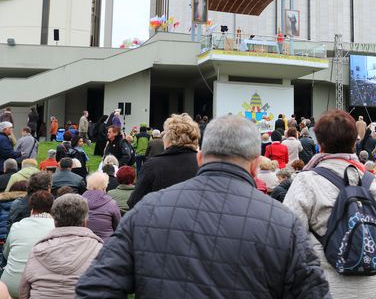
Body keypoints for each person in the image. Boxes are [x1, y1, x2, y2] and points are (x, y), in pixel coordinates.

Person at [76, 114, 331, 299]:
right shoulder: (285, 225)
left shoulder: (147, 210)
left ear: (200, 158)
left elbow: (94, 288)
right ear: (255, 165)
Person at [283, 109, 376, 299]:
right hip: (373, 284)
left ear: (320, 143)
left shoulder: (307, 182)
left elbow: (289, 240)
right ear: (354, 142)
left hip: (324, 285)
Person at [19, 194, 103, 299]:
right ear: (85, 221)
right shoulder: (101, 251)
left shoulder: (36, 251)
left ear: (54, 221)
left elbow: (23, 292)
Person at [127, 113, 199, 209]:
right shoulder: (204, 164)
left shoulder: (152, 165)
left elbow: (134, 202)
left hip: (159, 219)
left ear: (169, 137)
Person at [1, 191, 55, 298]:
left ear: (31, 207)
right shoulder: (57, 227)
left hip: (9, 285)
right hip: (37, 288)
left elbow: (6, 254)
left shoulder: (17, 226)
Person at [82, 172, 121, 241]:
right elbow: (118, 226)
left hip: (84, 242)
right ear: (104, 187)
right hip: (106, 243)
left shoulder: (78, 202)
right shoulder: (111, 203)